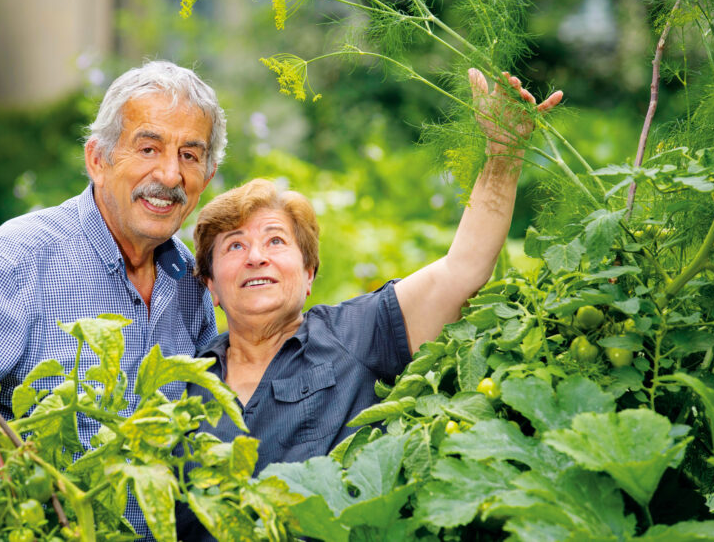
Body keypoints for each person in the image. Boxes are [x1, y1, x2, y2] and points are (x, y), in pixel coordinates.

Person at [0, 60, 227, 537]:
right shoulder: (21, 257)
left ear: (207, 176)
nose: (170, 175)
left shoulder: (192, 280)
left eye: (190, 156)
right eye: (148, 148)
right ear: (98, 159)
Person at [184, 69, 561, 476]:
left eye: (276, 241)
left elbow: (463, 269)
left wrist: (503, 153)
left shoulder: (358, 334)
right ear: (211, 286)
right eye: (235, 245)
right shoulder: (184, 384)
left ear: (309, 274)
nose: (256, 256)